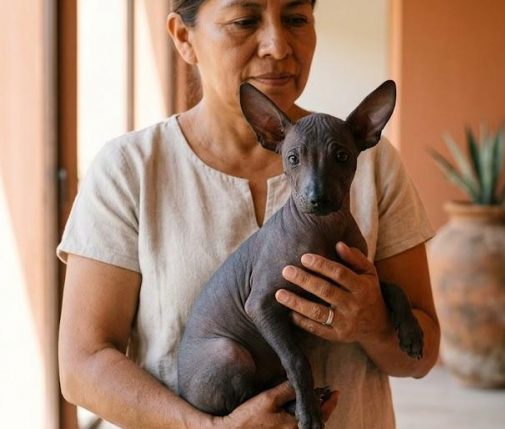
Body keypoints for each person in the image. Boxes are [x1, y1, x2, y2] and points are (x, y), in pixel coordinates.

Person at [57, 0, 440, 428]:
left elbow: (422, 357)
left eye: (296, 19)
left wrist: (375, 324)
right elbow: (81, 368)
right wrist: (209, 428)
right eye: (244, 21)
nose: (277, 46)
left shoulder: (372, 162)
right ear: (184, 38)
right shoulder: (130, 169)